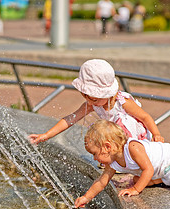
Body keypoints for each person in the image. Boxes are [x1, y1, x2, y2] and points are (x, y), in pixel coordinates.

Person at [28, 59, 164, 146]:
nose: (89, 101)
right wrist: (46, 135)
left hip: (136, 140)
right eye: (85, 96)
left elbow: (145, 117)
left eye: (94, 98)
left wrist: (156, 134)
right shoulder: (92, 104)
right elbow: (70, 119)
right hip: (118, 140)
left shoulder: (122, 102)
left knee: (110, 128)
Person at [75, 119, 170, 207]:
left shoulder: (133, 148)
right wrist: (86, 197)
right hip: (161, 171)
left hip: (168, 161)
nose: (94, 158)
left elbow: (148, 169)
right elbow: (101, 182)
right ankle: (161, 180)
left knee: (140, 182)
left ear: (108, 147)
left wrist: (135, 189)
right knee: (137, 180)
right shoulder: (112, 162)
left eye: (94, 154)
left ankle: (162, 179)